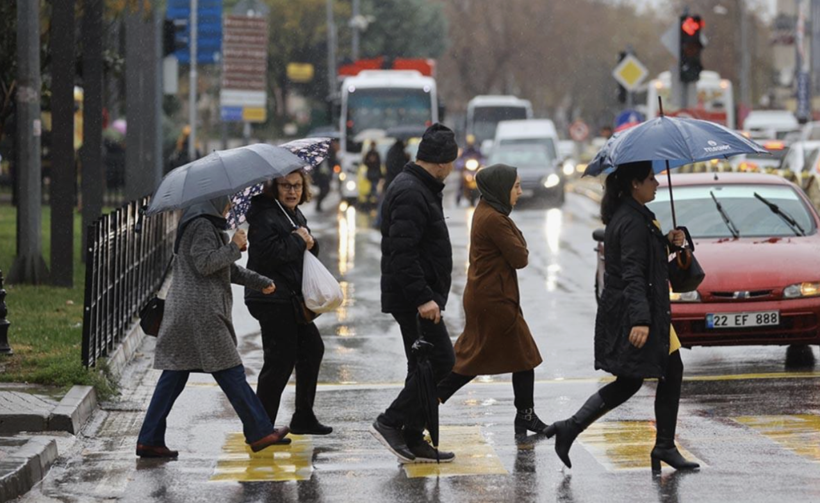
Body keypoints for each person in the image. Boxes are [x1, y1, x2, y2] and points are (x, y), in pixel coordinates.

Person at [545, 161, 699, 474]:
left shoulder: (636, 217)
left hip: (644, 311)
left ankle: (574, 429)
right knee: (638, 379)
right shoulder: (631, 221)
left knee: (650, 375)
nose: (656, 183)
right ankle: (660, 444)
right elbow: (632, 274)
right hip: (637, 314)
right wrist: (641, 321)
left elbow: (644, 260)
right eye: (651, 178)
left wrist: (666, 243)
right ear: (634, 185)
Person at [137, 196, 289, 458]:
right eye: (227, 201)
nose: (230, 206)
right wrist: (234, 246)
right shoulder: (201, 226)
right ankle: (259, 431)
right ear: (214, 200)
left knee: (173, 377)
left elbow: (226, 270)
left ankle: (149, 439)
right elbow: (205, 263)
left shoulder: (205, 225)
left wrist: (260, 281)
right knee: (231, 372)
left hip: (189, 311)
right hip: (202, 313)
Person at [370, 123, 459, 464]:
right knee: (442, 362)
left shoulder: (418, 186)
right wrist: (423, 297)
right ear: (440, 162)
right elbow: (402, 253)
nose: (451, 169)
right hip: (414, 299)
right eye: (450, 162)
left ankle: (412, 435)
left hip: (417, 295)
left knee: (421, 368)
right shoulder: (411, 191)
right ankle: (390, 421)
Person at [436, 164, 548, 436]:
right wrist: (519, 239)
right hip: (493, 299)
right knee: (477, 360)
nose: (520, 192)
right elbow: (520, 258)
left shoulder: (488, 211)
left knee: (519, 357)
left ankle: (526, 416)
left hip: (489, 296)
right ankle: (426, 400)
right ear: (501, 188)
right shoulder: (495, 218)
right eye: (516, 187)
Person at [245, 169, 332, 437]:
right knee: (279, 361)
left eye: (296, 185)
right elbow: (268, 255)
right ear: (274, 187)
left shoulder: (290, 212)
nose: (292, 191)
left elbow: (305, 249)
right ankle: (260, 428)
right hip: (270, 296)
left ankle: (303, 417)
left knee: (312, 349)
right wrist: (298, 239)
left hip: (290, 298)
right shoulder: (263, 214)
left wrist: (309, 241)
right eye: (285, 185)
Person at [314, 138, 338, 212]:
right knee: (323, 189)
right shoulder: (319, 153)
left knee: (325, 189)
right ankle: (318, 204)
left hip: (326, 174)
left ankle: (318, 204)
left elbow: (333, 162)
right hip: (320, 175)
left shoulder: (331, 153)